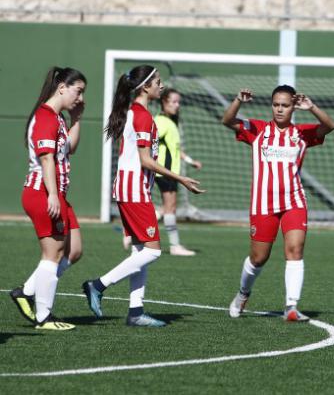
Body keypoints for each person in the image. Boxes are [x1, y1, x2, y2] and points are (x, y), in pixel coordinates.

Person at [82, 65, 204, 327]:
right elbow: (146, 161)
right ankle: (97, 285)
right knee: (153, 252)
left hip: (132, 188)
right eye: (157, 82)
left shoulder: (137, 113)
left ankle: (135, 312)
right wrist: (180, 178)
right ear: (144, 87)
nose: (161, 85)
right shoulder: (142, 117)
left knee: (140, 251)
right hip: (134, 190)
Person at [222, 85, 334, 322]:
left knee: (295, 250)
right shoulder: (258, 130)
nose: (280, 109)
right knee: (259, 258)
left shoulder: (302, 133)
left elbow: (329, 126)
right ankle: (243, 293)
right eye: (276, 105)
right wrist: (238, 101)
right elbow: (228, 120)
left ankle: (291, 307)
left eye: (285, 105)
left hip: (294, 201)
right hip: (263, 204)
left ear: (293, 106)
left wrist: (312, 107)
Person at [9, 67, 86, 331]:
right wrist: (52, 194)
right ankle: (44, 316)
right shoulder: (45, 117)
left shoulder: (58, 118)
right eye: (78, 91)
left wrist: (76, 119)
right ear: (62, 87)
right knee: (52, 254)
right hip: (42, 193)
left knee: (73, 250)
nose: (80, 97)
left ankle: (27, 292)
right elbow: (46, 159)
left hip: (56, 194)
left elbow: (70, 150)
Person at [122, 88, 202, 256]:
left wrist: (190, 161)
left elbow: (176, 149)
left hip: (170, 171)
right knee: (170, 208)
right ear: (164, 102)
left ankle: (134, 231)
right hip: (165, 172)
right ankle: (174, 245)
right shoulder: (161, 121)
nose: (177, 105)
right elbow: (147, 142)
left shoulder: (171, 122)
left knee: (169, 208)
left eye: (178, 102)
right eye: (173, 101)